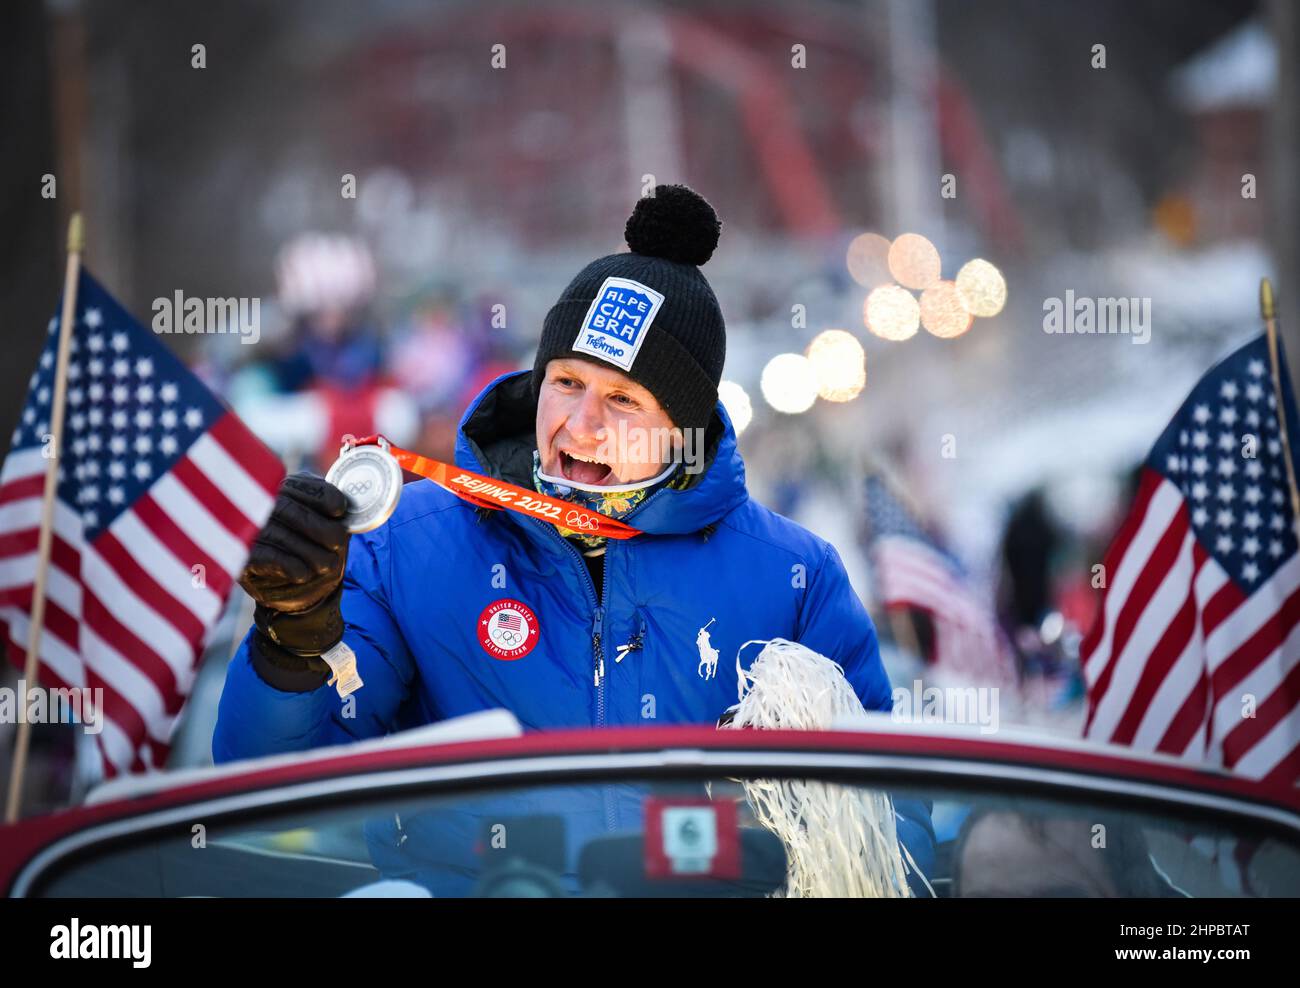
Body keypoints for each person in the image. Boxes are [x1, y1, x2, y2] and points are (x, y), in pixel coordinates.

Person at [212, 185, 934, 892]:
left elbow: (894, 838)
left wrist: (791, 823)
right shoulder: (407, 545)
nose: (581, 423)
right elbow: (270, 784)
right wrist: (291, 645)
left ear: (683, 426)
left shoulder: (793, 576)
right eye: (565, 382)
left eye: (622, 398)